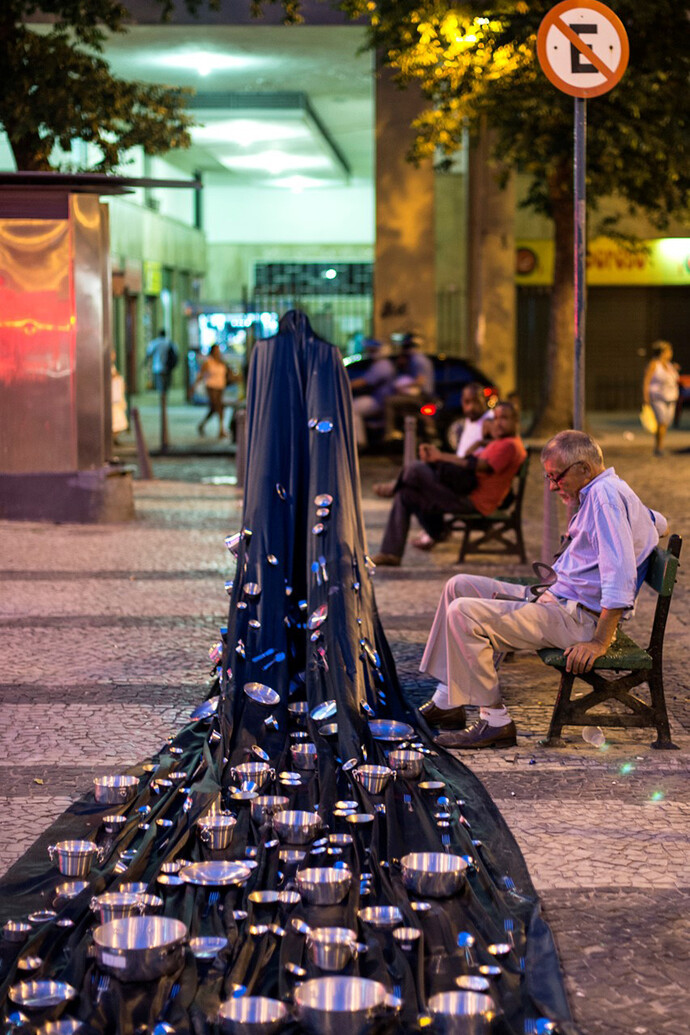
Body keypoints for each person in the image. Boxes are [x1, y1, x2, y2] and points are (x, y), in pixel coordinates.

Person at [418, 430, 668, 746]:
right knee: (459, 586)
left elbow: (619, 575)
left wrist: (598, 642)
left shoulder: (605, 498)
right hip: (558, 600)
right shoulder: (610, 490)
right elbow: (659, 522)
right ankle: (448, 700)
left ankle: (495, 722)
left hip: (578, 620)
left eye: (556, 477)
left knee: (464, 614)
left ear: (584, 469)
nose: (551, 487)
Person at [371, 400, 525, 567]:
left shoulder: (510, 446)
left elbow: (481, 466)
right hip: (464, 493)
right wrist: (480, 443)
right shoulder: (499, 442)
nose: (498, 423)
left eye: (504, 418)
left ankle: (395, 487)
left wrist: (440, 457)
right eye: (495, 418)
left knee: (415, 468)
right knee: (405, 494)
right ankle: (391, 554)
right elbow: (468, 457)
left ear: (515, 421)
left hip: (473, 501)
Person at [383, 333, 435, 439]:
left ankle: (391, 432)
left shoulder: (417, 360)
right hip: (422, 394)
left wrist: (403, 387)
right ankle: (427, 428)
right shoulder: (418, 359)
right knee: (405, 409)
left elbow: (420, 381)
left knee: (389, 401)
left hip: (422, 395)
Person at [349, 338, 396, 448]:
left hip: (379, 401)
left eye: (373, 350)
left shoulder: (383, 365)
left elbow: (364, 381)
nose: (371, 353)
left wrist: (345, 385)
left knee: (353, 408)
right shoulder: (379, 364)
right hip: (378, 399)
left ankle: (359, 442)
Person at [643, 340, 679, 456]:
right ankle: (659, 447)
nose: (671, 353)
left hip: (671, 397)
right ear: (662, 352)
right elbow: (646, 380)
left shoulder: (669, 365)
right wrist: (645, 396)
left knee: (666, 423)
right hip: (658, 397)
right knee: (661, 422)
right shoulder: (654, 364)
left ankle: (659, 445)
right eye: (669, 351)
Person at [194, 343, 233, 439]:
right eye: (216, 350)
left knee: (214, 408)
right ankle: (221, 430)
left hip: (220, 386)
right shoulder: (208, 362)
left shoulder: (222, 362)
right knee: (218, 406)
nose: (218, 352)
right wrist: (194, 386)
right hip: (211, 386)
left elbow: (228, 373)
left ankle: (202, 425)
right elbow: (201, 375)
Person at [145, 328, 179, 394]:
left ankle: (162, 400)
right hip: (167, 367)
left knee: (160, 387)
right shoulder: (169, 343)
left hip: (157, 367)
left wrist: (145, 363)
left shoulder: (155, 343)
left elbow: (148, 353)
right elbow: (176, 354)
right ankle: (164, 399)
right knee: (166, 386)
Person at [110, 349, 128, 445]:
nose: (114, 355)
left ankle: (114, 437)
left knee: (118, 418)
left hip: (116, 396)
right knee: (117, 418)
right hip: (113, 397)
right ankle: (112, 437)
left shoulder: (112, 366)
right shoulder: (108, 366)